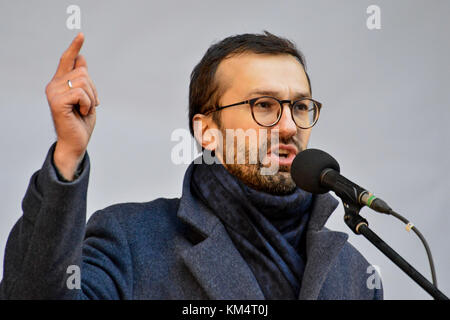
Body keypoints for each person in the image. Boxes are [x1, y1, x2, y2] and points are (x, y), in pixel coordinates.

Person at [0, 31, 382, 300]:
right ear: (207, 131)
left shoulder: (354, 276)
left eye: (300, 106)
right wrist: (68, 155)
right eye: (263, 105)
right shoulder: (131, 241)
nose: (288, 126)